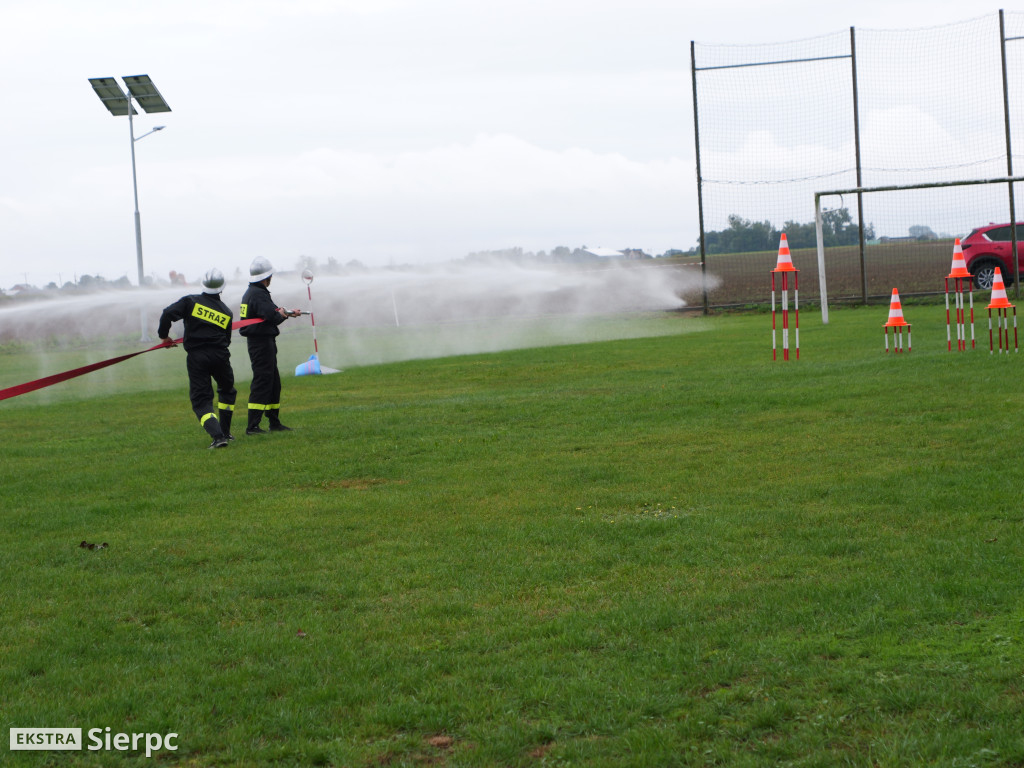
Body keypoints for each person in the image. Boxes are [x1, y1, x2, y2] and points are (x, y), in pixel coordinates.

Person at [157, 268, 237, 449]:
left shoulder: (190, 301)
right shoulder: (226, 312)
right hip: (221, 355)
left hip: (197, 357)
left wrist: (164, 336)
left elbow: (168, 313)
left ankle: (218, 437)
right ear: (221, 288)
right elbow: (227, 339)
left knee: (201, 399)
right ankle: (225, 432)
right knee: (227, 391)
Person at [239, 257, 302, 435]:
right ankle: (253, 426)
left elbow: (272, 312)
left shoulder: (253, 292)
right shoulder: (258, 294)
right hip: (260, 344)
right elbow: (274, 317)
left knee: (273, 383)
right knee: (262, 382)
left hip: (262, 342)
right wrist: (283, 315)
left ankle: (274, 422)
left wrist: (288, 313)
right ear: (266, 277)